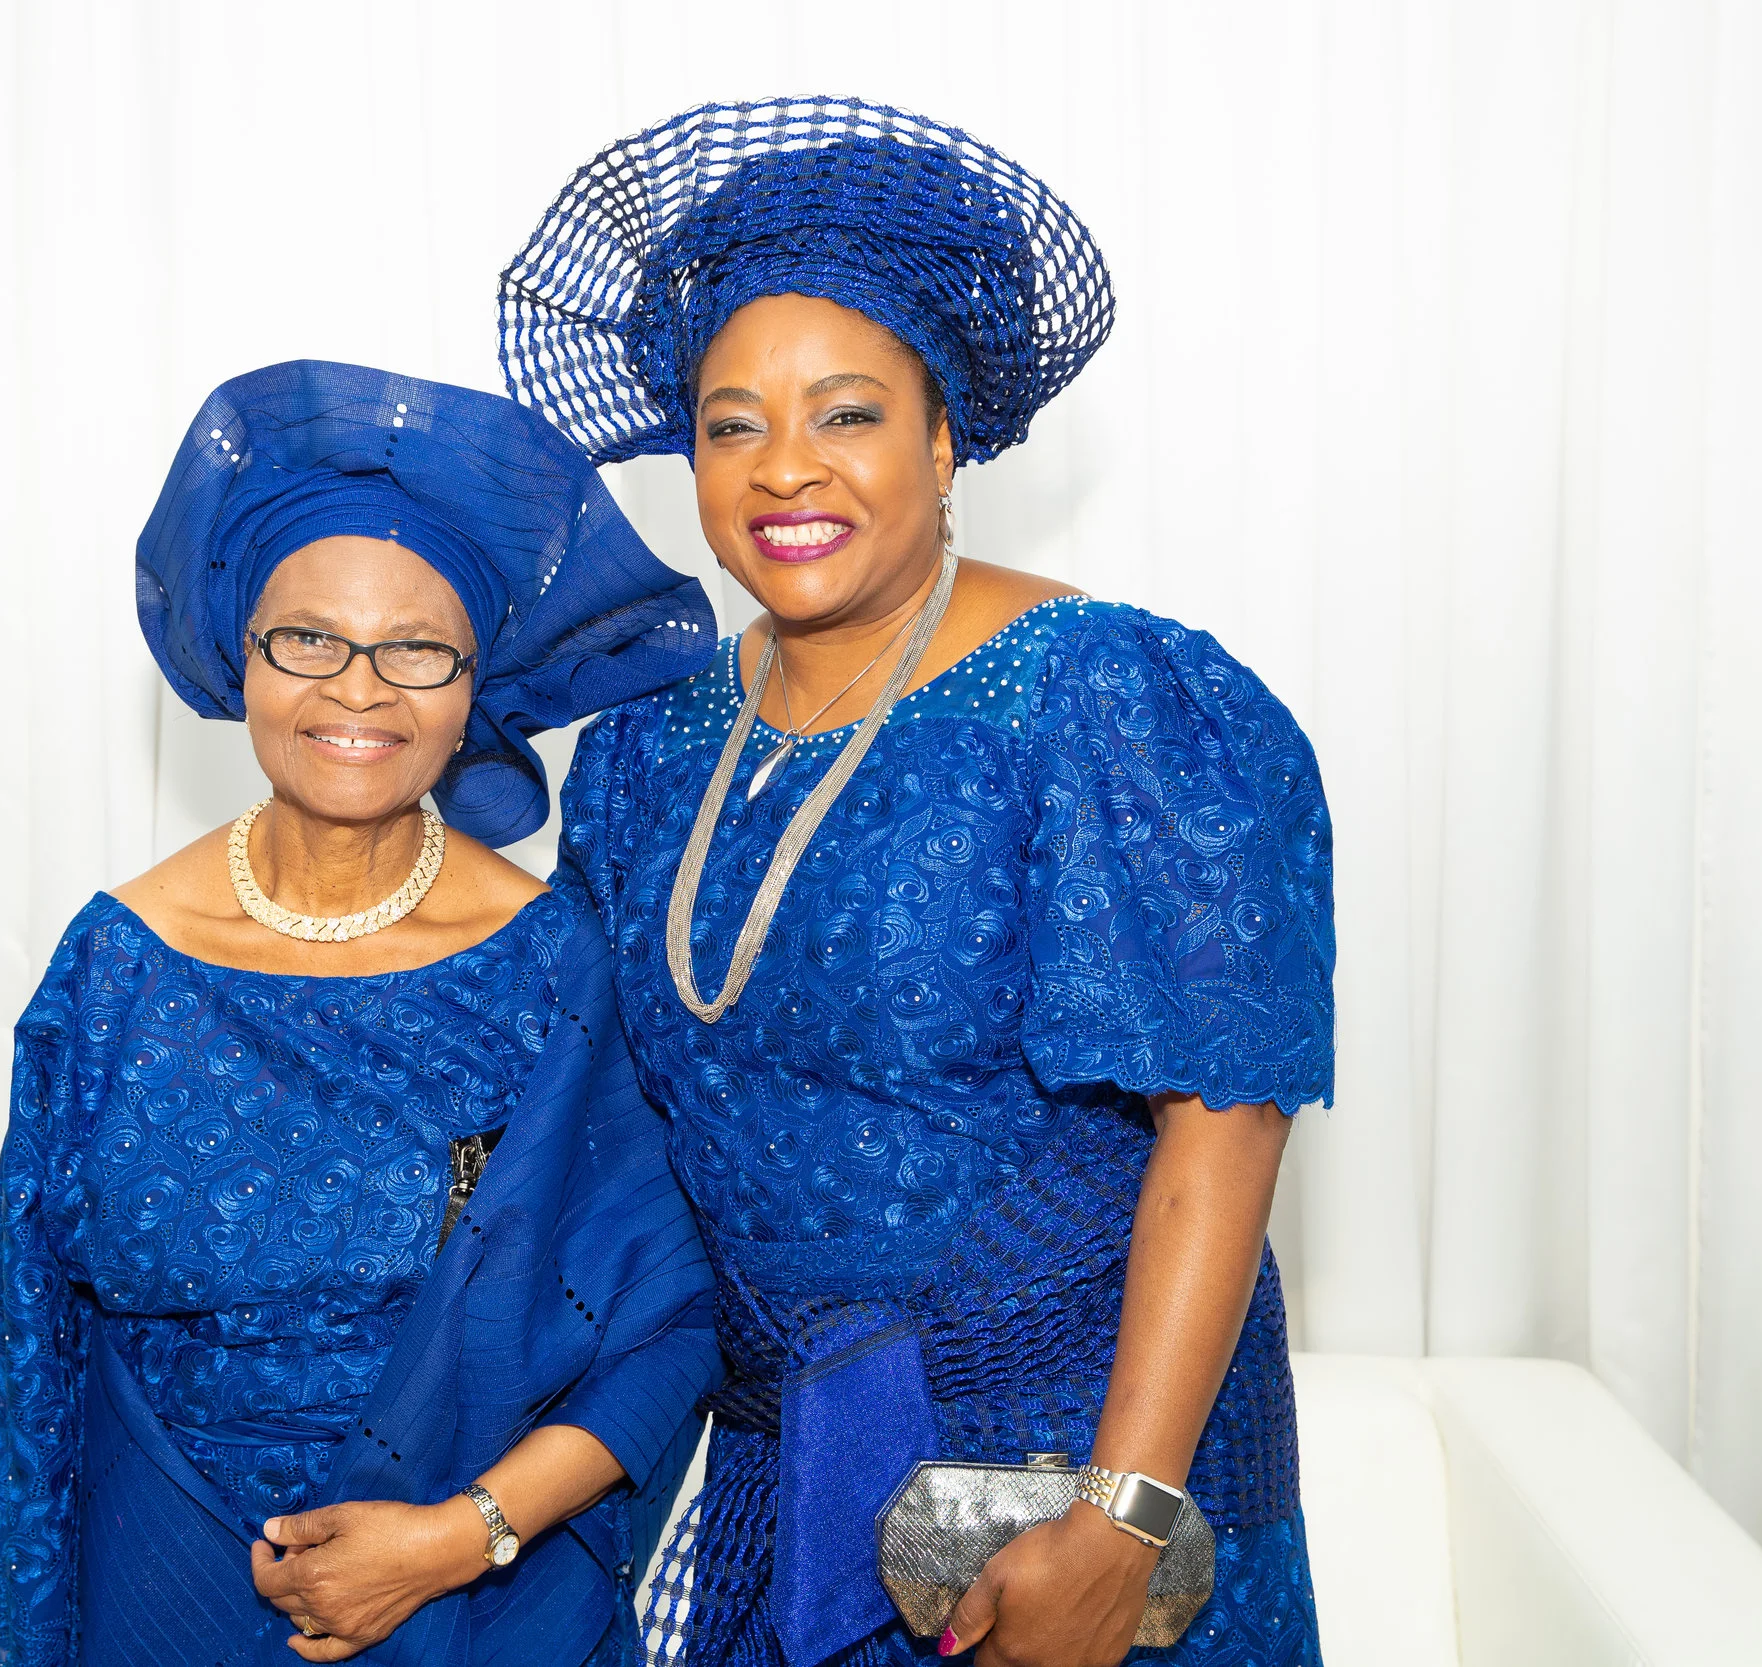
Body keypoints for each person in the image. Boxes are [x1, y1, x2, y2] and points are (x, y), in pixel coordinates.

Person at [501, 99, 1335, 1667]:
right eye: (731, 424)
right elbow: (598, 1121)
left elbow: (1223, 1118)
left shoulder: (1105, 695)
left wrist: (1122, 1518)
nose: (784, 467)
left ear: (946, 440)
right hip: (784, 1464)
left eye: (848, 413)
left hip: (1074, 1469)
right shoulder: (642, 748)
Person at [0, 360, 725, 1667]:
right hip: (158, 1596)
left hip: (472, 1613)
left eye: (416, 648)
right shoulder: (116, 965)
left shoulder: (553, 964)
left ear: (475, 687)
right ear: (240, 659)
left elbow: (669, 1324)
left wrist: (453, 1540)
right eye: (307, 639)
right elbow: (23, 1356)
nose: (359, 689)